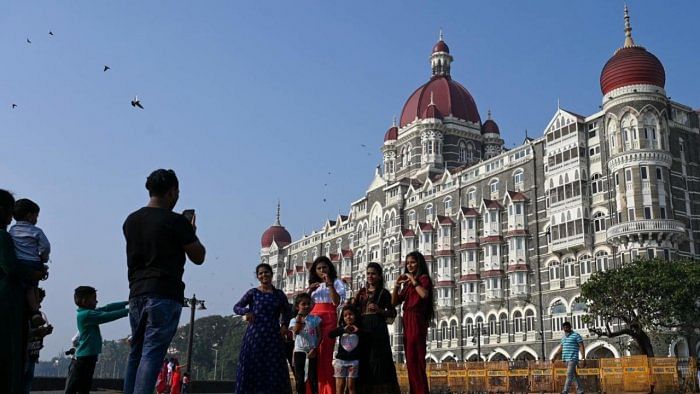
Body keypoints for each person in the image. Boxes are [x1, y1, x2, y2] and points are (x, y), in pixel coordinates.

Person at [122, 169, 206, 394]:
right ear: (172, 192)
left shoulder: (131, 220)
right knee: (152, 352)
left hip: (137, 292)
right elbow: (198, 256)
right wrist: (191, 232)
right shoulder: (176, 222)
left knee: (136, 353)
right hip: (164, 292)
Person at [0, 189, 46, 393]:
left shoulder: (10, 234)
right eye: (9, 212)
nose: (11, 218)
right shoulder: (3, 237)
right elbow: (11, 268)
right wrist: (35, 273)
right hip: (7, 304)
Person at [233, 263, 292, 394]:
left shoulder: (279, 294)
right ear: (258, 277)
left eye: (266, 272)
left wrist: (284, 325)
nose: (264, 275)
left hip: (273, 336)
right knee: (253, 365)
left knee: (272, 367)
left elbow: (287, 311)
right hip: (255, 336)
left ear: (271, 274)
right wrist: (246, 312)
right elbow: (236, 307)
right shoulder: (253, 293)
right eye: (260, 273)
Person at [65, 286, 129, 394]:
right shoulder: (86, 315)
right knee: (77, 386)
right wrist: (127, 310)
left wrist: (126, 303)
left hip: (88, 356)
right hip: (83, 358)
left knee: (83, 385)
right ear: (85, 301)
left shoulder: (88, 312)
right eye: (94, 299)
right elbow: (107, 316)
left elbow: (107, 308)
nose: (96, 301)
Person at [349, 262, 400, 394]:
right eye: (368, 274)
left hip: (378, 331)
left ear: (379, 276)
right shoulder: (360, 292)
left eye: (373, 274)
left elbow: (392, 313)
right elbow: (353, 310)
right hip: (363, 330)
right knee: (364, 359)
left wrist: (380, 310)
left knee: (379, 360)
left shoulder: (384, 293)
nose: (370, 276)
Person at [391, 251, 434, 394]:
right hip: (407, 320)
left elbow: (424, 295)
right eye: (408, 263)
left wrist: (412, 280)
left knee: (417, 359)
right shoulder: (408, 285)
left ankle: (421, 391)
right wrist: (397, 285)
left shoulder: (423, 279)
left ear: (419, 263)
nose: (409, 265)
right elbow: (394, 302)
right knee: (410, 360)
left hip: (417, 320)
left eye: (413, 262)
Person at [9, 198, 51, 327]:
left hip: (19, 263)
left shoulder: (12, 231)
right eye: (36, 216)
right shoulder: (36, 231)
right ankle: (35, 312)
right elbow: (46, 246)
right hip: (33, 262)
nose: (36, 219)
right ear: (29, 215)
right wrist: (42, 258)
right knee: (32, 287)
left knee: (23, 287)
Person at [308, 256, 346, 394]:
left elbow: (337, 302)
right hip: (313, 316)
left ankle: (328, 390)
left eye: (324, 267)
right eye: (319, 268)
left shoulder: (336, 282)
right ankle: (313, 388)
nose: (322, 270)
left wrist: (329, 284)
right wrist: (309, 291)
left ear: (329, 268)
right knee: (312, 352)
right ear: (315, 270)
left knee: (326, 353)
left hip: (329, 315)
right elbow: (305, 304)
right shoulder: (313, 285)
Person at [23, 287, 54, 394]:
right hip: (24, 355)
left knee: (27, 381)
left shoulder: (39, 315)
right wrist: (36, 332)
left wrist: (44, 332)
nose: (39, 305)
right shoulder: (22, 315)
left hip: (33, 354)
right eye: (38, 302)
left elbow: (37, 335)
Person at [289, 292, 321, 394]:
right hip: (300, 351)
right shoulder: (294, 320)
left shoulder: (315, 319)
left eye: (308, 304)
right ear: (298, 306)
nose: (306, 306)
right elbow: (296, 331)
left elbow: (319, 335)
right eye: (303, 304)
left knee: (313, 378)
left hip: (311, 351)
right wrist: (299, 317)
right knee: (300, 378)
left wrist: (315, 348)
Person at [329, 306, 364, 394]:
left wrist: (358, 331)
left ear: (355, 315)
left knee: (351, 386)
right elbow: (330, 334)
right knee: (340, 386)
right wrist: (342, 330)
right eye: (345, 315)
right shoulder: (342, 328)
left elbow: (369, 336)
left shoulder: (359, 328)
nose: (348, 317)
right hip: (341, 361)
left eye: (350, 314)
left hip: (354, 361)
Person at [556, 321, 585, 394]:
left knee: (569, 374)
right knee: (574, 376)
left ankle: (565, 391)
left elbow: (581, 346)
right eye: (564, 327)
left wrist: (583, 358)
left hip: (573, 358)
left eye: (567, 327)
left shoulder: (576, 335)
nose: (565, 329)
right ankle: (580, 391)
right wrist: (554, 356)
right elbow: (561, 348)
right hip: (565, 359)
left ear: (570, 327)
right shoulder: (563, 338)